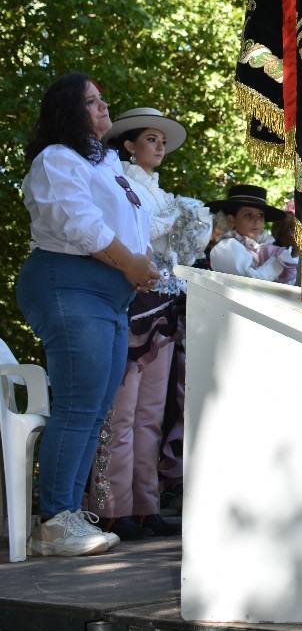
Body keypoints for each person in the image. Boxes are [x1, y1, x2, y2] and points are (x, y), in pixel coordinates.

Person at [17, 74, 158, 557]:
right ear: (68, 111)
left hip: (110, 294)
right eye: (92, 102)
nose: (103, 107)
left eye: (103, 99)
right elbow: (79, 224)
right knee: (79, 406)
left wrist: (141, 265)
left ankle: (68, 515)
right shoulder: (57, 158)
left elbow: (127, 223)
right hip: (69, 283)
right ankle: (53, 521)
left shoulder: (109, 166)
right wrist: (130, 263)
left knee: (96, 408)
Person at [89, 107, 212, 540]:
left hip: (162, 305)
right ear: (128, 145)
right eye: (150, 140)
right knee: (119, 414)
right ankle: (109, 507)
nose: (159, 148)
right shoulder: (117, 182)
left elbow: (179, 248)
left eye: (162, 142)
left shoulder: (163, 194)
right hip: (129, 300)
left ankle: (145, 505)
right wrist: (175, 220)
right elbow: (132, 231)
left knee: (150, 415)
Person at [209, 184, 298, 283]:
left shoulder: (262, 247)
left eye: (260, 215)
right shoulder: (225, 247)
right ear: (232, 220)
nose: (256, 221)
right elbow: (252, 283)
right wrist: (280, 261)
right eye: (248, 215)